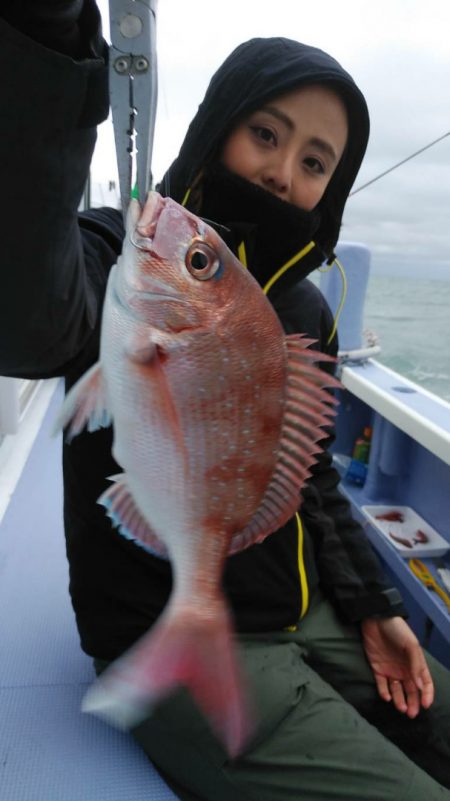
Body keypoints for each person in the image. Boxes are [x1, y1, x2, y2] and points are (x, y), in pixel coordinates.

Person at [1, 3, 449, 800]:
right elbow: (27, 314)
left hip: (309, 612)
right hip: (169, 620)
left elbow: (311, 481)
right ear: (214, 127)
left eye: (317, 162)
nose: (284, 173)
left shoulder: (307, 312)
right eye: (267, 135)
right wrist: (45, 39)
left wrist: (374, 606)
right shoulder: (119, 253)